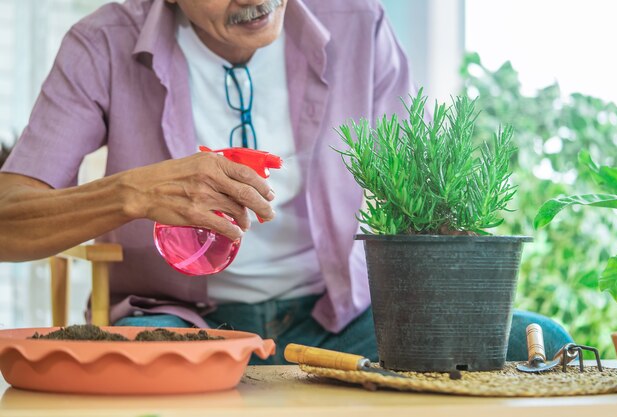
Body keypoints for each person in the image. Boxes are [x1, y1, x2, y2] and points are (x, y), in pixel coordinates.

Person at [0, 0, 571, 364]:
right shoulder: (100, 43)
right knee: (143, 380)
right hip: (184, 326)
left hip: (342, 321)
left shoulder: (359, 24)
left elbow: (423, 189)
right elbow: (8, 221)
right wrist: (131, 193)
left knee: (543, 340)